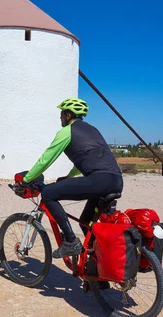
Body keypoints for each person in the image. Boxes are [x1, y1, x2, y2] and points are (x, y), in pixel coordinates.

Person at [18, 98, 123, 258]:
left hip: (98, 181)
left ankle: (70, 241)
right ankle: (98, 263)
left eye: (61, 114)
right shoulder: (93, 130)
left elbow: (46, 159)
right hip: (115, 181)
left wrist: (26, 180)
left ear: (68, 115)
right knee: (86, 220)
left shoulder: (67, 131)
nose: (60, 117)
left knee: (48, 194)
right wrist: (68, 177)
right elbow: (87, 159)